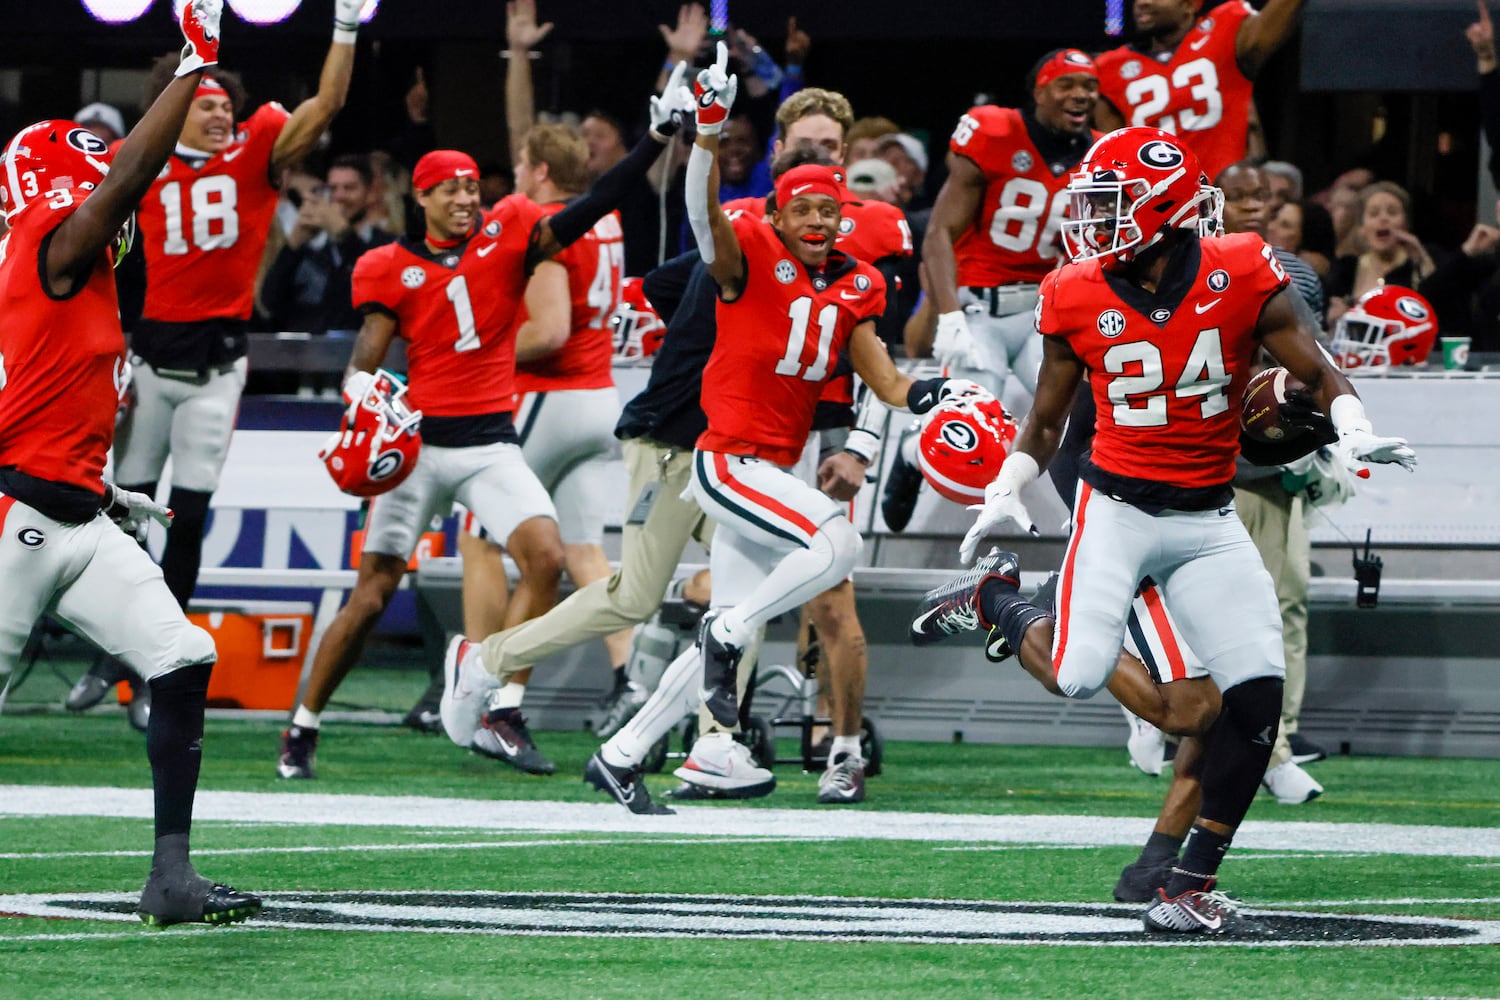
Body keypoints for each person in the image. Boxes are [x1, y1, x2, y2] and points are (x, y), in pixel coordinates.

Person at [912, 127, 1415, 934]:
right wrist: (1008, 486)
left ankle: (1186, 887)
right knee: (1076, 675)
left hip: (1209, 519)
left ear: (1168, 206)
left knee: (1254, 701)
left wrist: (1351, 428)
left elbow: (1317, 370)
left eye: (1110, 206)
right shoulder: (1074, 289)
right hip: (1115, 513)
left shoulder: (1243, 269)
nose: (1093, 224)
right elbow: (1045, 422)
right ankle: (1002, 600)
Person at [277, 70, 696, 781]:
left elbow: (598, 201)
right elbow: (363, 364)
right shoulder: (388, 265)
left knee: (548, 560)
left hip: (488, 442)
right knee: (374, 593)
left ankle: (502, 705)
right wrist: (363, 399)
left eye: (474, 187)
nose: (468, 199)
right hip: (418, 445)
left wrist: (655, 139)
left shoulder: (512, 236)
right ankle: (303, 722)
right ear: (422, 196)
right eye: (452, 190)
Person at [0, 0, 260, 928]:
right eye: (93, 183)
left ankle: (171, 877)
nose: (118, 205)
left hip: (75, 513)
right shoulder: (47, 246)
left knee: (183, 654)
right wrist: (194, 63)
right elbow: (130, 178)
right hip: (16, 523)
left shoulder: (84, 271)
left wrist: (107, 484)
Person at [100, 0, 365, 650]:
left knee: (188, 517)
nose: (223, 113)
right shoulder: (139, 159)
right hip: (151, 361)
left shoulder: (257, 148)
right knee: (126, 510)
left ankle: (161, 649)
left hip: (218, 365)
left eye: (227, 104)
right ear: (175, 102)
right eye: (208, 103)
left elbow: (325, 104)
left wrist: (346, 25)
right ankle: (116, 651)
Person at [1093, 0, 1305, 181]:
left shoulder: (1225, 27)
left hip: (1223, 195)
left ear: (1188, 5)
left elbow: (1277, 17)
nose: (1142, 3)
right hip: (1156, 201)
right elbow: (1114, 156)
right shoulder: (1110, 68)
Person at [260, 153, 397, 334]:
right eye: (333, 189)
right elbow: (270, 303)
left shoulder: (388, 245)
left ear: (369, 193)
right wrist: (295, 241)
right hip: (307, 355)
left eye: (349, 188)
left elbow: (375, 291)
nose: (339, 196)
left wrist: (342, 233)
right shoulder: (313, 249)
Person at [1326, 181, 1438, 322]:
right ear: (1362, 228)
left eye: (1392, 212)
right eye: (1374, 214)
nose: (1383, 218)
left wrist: (1422, 262)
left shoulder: (1418, 265)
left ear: (1406, 224)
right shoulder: (1346, 269)